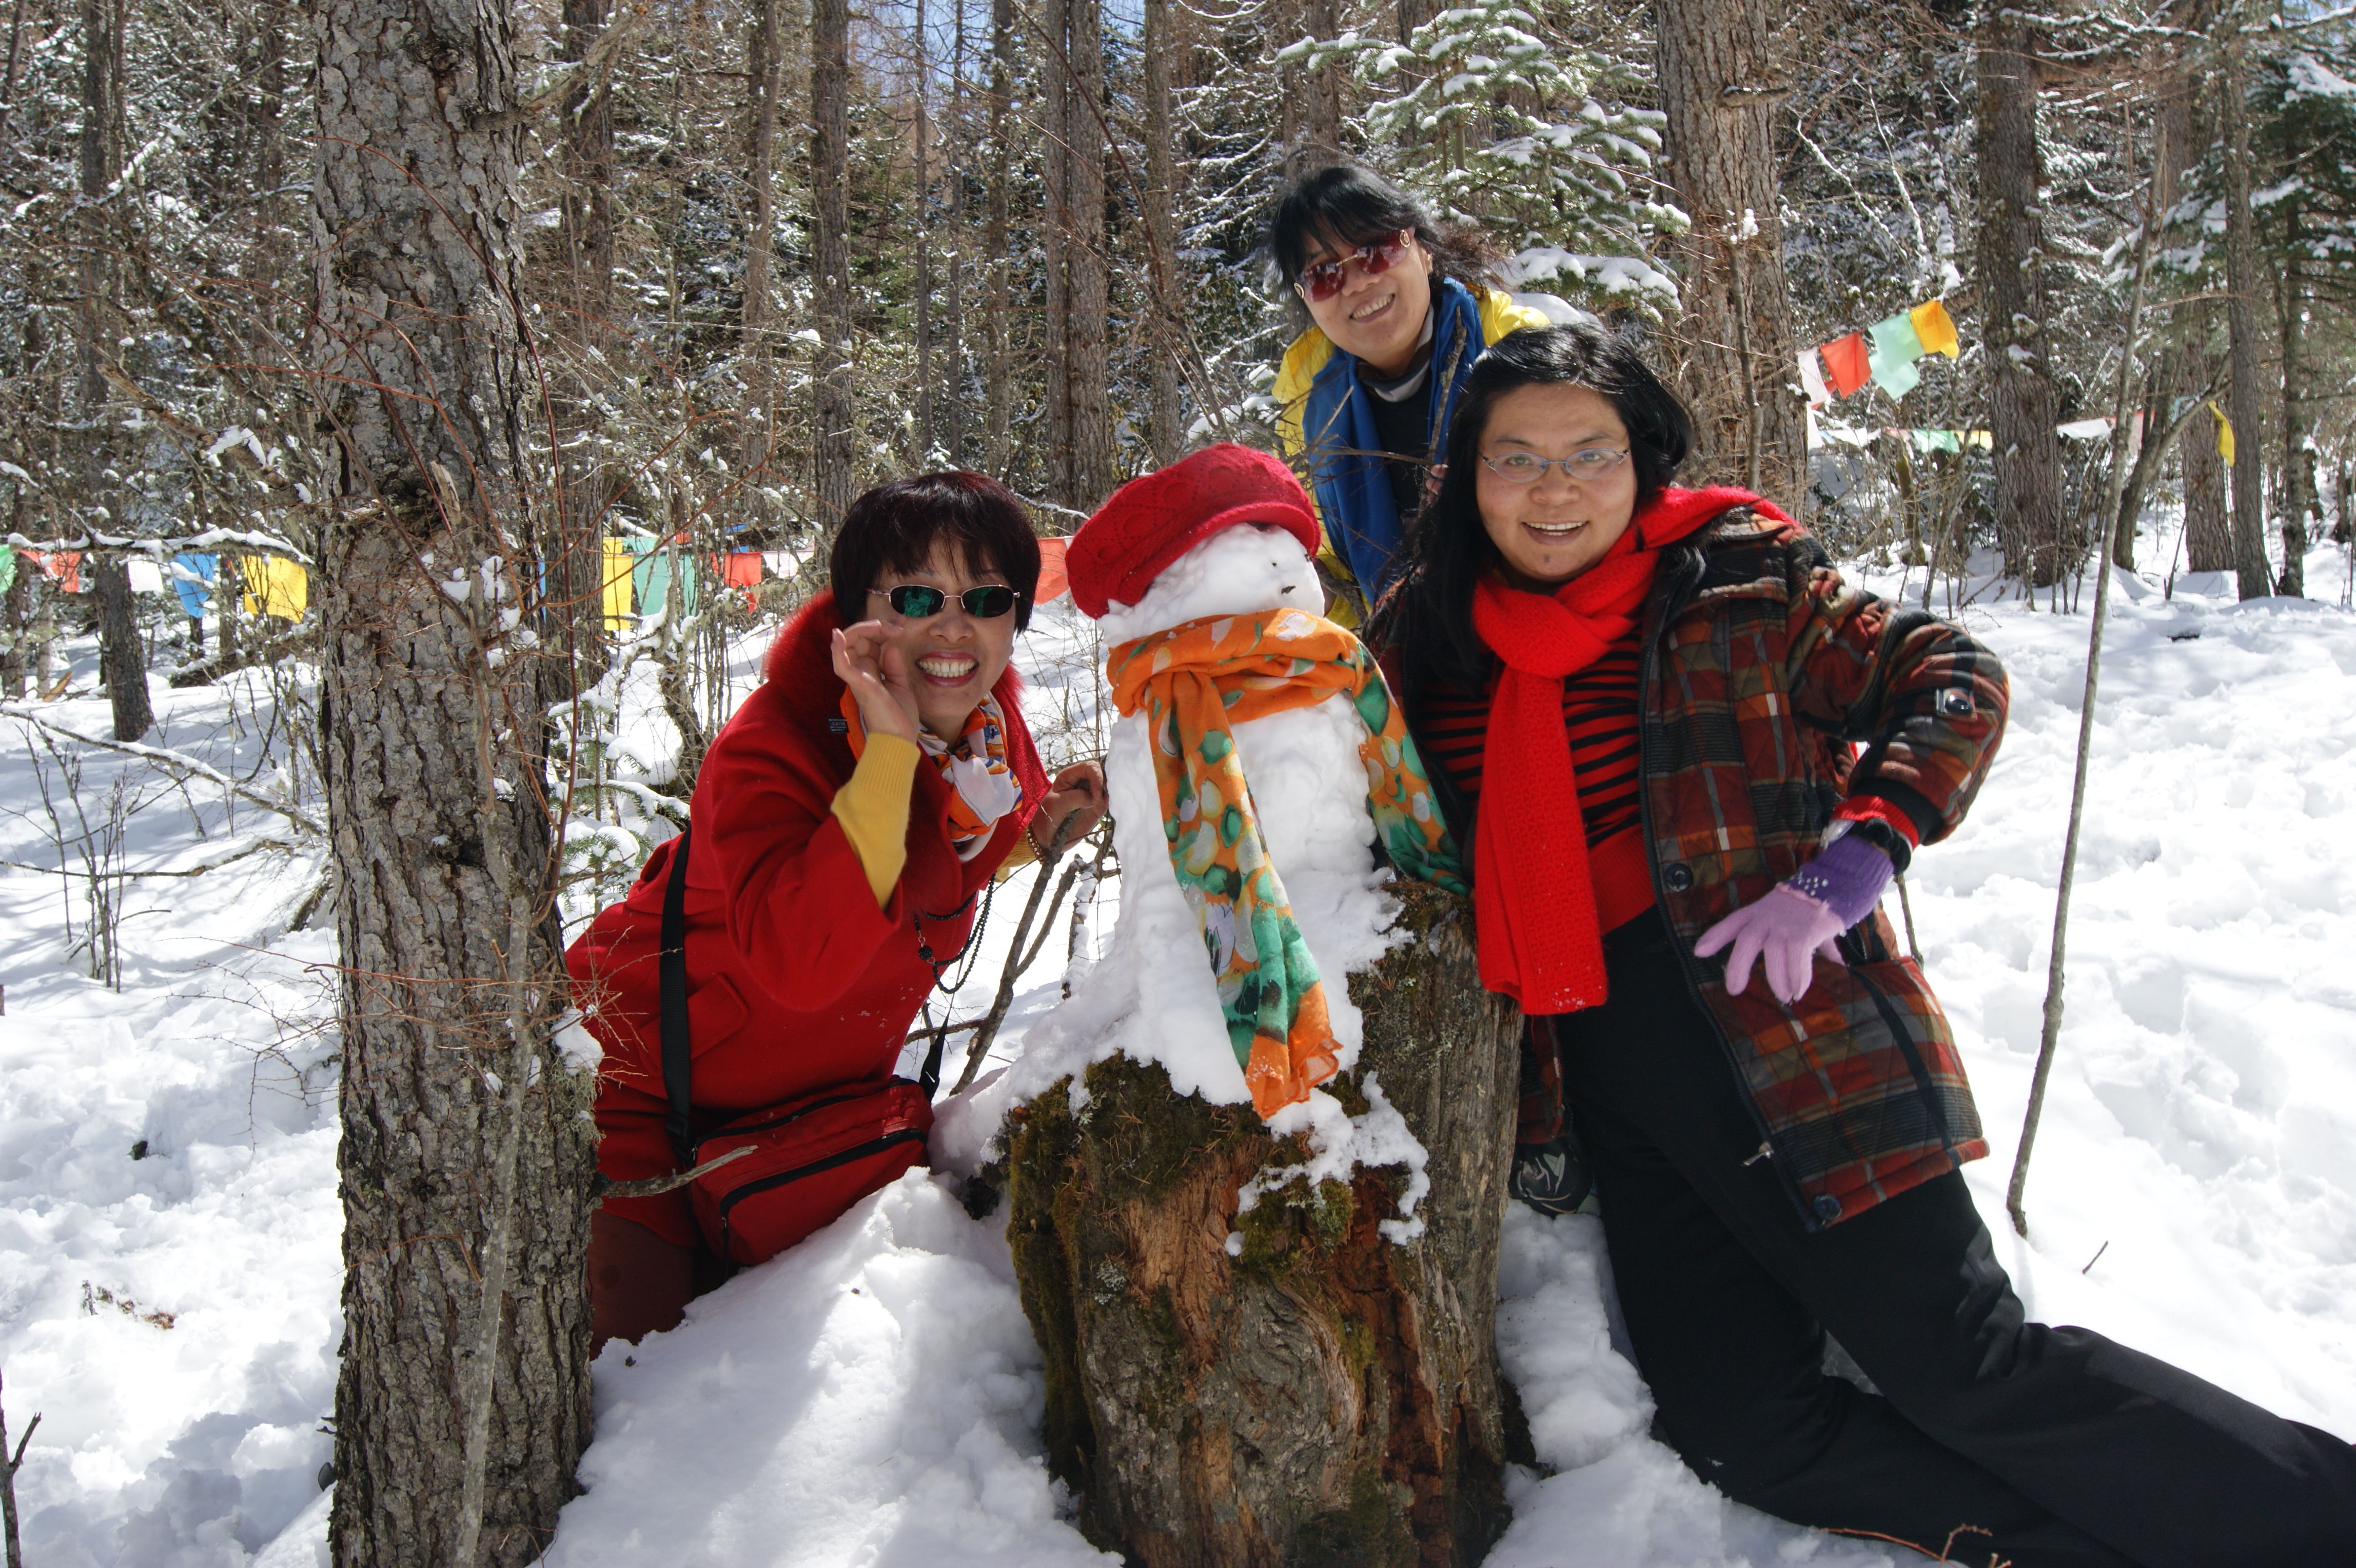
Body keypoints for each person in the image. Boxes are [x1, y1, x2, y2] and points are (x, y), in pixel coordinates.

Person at [1368, 323, 2356, 1567]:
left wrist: (1855, 858)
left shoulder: (1738, 578)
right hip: (1610, 1084)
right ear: (1468, 470)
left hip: (1800, 1041)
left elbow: (1953, 676)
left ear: (1644, 461)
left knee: (1968, 1365)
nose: (1553, 489)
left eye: (1589, 454)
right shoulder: (1426, 633)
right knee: (1745, 1428)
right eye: (1515, 458)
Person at [570, 473, 1105, 1349]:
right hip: (640, 1115)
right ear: (855, 612)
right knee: (621, 1400)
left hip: (806, 1126)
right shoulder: (770, 751)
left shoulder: (986, 746)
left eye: (986, 599)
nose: (952, 627)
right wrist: (888, 748)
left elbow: (928, 874)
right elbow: (807, 956)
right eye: (918, 596)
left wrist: (1029, 838)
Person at [1269, 162, 1566, 623]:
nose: (1359, 282)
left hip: (1540, 623)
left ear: (1423, 250)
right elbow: (1342, 582)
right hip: (1404, 661)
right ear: (1305, 297)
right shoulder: (1309, 402)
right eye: (1324, 274)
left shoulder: (1517, 353)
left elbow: (1578, 513)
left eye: (1376, 251)